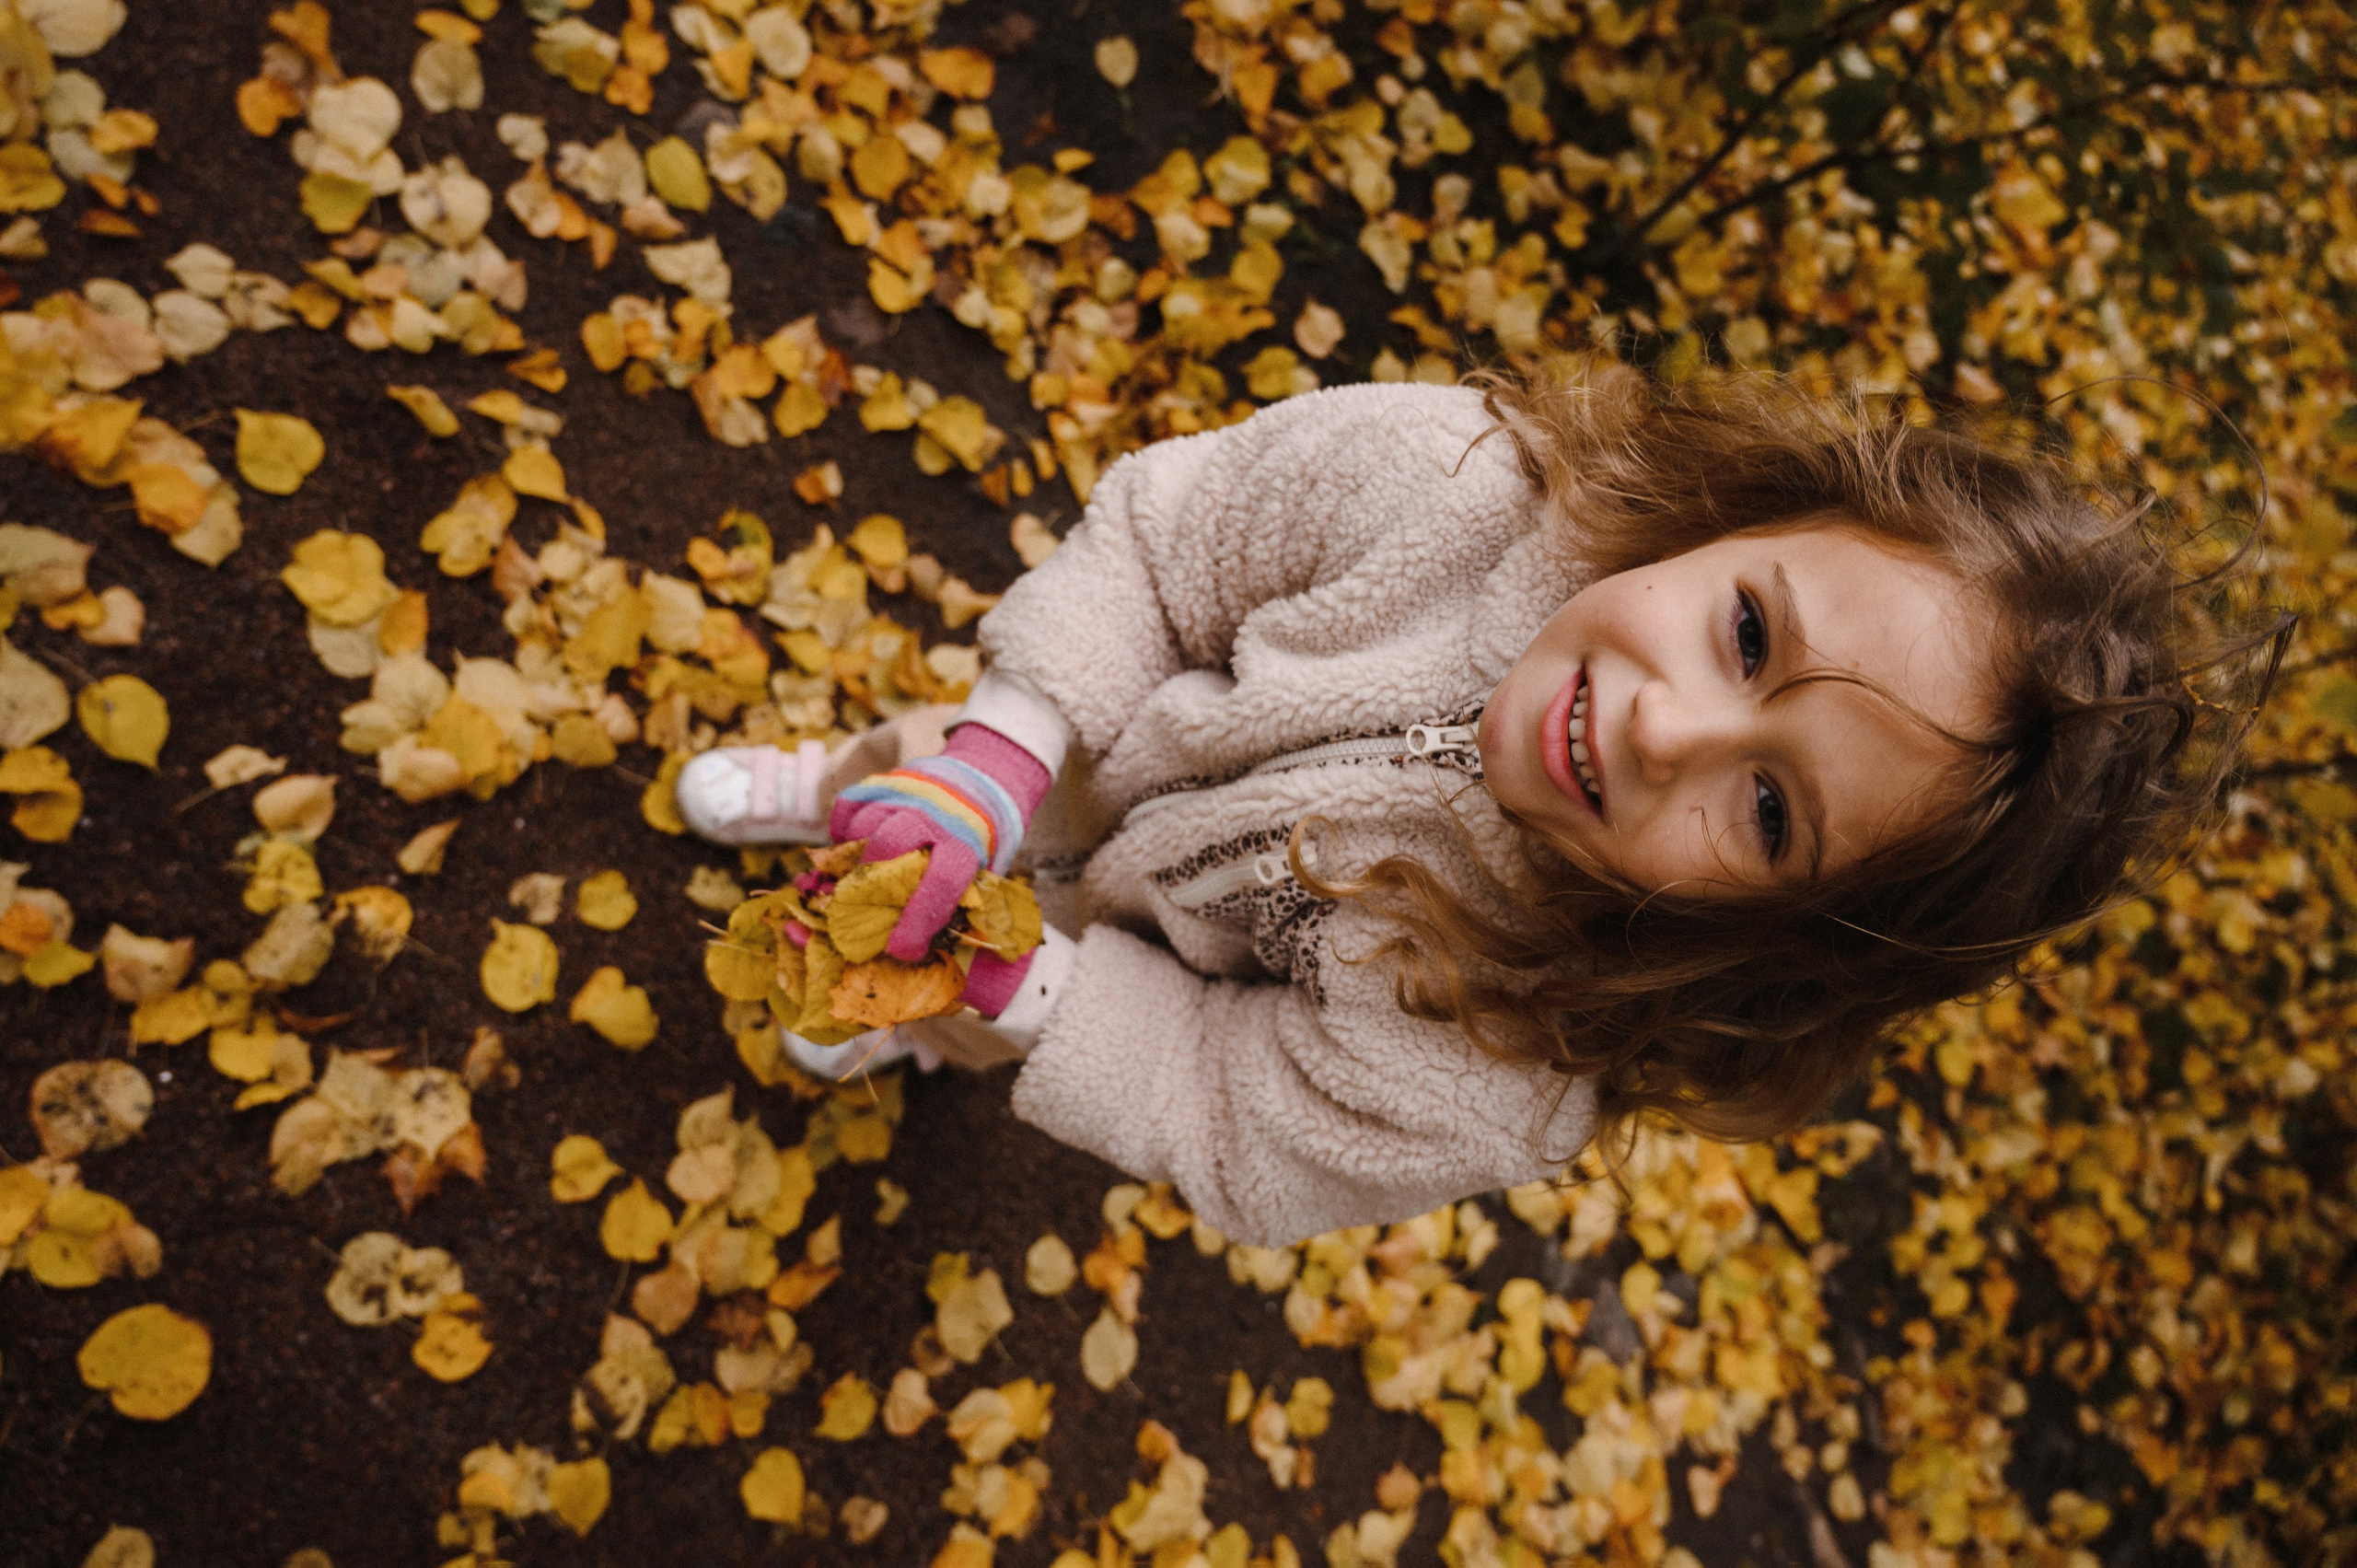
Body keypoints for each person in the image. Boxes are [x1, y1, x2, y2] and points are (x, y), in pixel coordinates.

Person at [675, 358, 2286, 1249]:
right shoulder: (1450, 485)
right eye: (1745, 636)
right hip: (1094, 742)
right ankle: (839, 791)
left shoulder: (1511, 1048)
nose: (1666, 728)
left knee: (961, 973)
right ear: (1753, 512)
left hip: (1135, 962)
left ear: (1783, 935)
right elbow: (1173, 541)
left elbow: (1227, 1109)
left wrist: (1012, 990)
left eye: (1771, 814)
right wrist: (1001, 759)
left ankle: (903, 1003)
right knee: (912, 793)